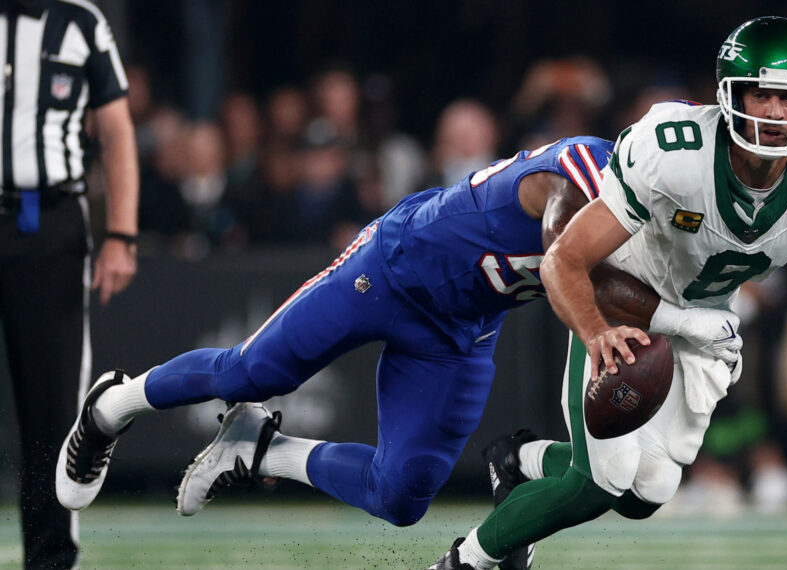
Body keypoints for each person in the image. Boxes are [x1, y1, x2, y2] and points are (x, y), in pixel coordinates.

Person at [55, 134, 718, 533]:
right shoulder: (581, 168)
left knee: (401, 497)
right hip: (391, 271)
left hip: (460, 328)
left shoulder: (663, 217)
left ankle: (258, 450)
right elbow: (561, 259)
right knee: (248, 373)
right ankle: (112, 406)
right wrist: (678, 322)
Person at [430, 16, 787, 570]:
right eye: (761, 94)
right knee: (600, 482)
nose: (777, 114)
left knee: (648, 492)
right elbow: (565, 259)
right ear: (729, 93)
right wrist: (596, 332)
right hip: (625, 296)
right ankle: (464, 561)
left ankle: (518, 460)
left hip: (707, 313)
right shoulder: (672, 150)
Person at [0, 1, 138, 568]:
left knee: (51, 406)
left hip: (46, 222)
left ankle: (52, 560)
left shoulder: (79, 21)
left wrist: (121, 233)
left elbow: (116, 131)